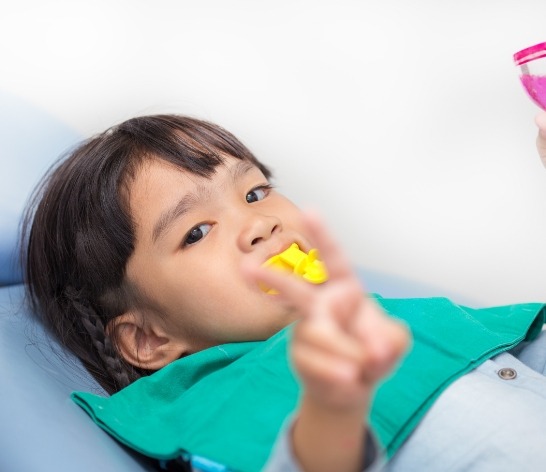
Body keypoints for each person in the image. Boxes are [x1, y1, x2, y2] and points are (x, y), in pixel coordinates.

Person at [22, 114, 546, 472]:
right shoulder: (222, 407)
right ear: (148, 339)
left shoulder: (394, 320)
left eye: (254, 192)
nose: (259, 224)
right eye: (197, 232)